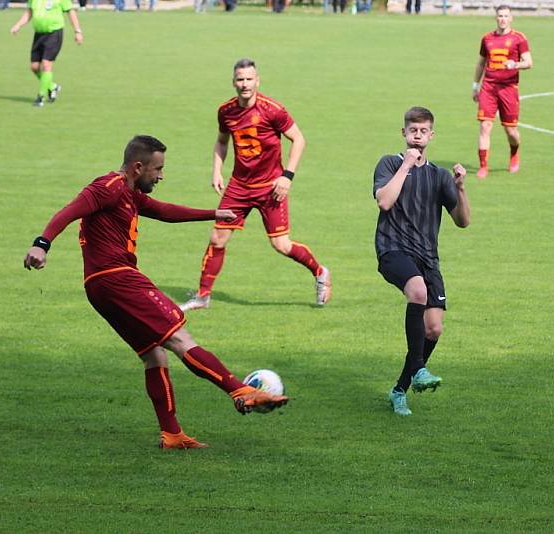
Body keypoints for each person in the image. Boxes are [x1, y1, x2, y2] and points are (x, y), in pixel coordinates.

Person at [23, 135, 289, 449]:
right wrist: (42, 244)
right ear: (138, 167)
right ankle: (240, 390)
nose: (161, 176)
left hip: (100, 286)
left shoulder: (130, 193)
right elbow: (69, 211)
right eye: (157, 169)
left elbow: (164, 211)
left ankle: (172, 434)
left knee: (154, 355)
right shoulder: (106, 187)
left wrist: (214, 214)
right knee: (179, 338)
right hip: (118, 279)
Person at [180, 59, 331, 312]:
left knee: (281, 245)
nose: (244, 84)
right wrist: (217, 170)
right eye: (240, 79)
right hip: (238, 187)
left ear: (257, 81)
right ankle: (203, 296)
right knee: (217, 238)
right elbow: (221, 141)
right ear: (233, 82)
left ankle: (320, 272)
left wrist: (287, 176)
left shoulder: (272, 110)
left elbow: (299, 139)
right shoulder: (226, 111)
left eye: (249, 79)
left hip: (271, 187)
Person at [373, 107, 471, 416]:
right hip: (393, 250)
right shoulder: (389, 163)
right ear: (404, 133)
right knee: (417, 292)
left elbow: (463, 221)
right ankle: (418, 368)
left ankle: (400, 389)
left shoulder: (439, 176)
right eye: (412, 130)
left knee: (434, 330)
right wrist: (406, 166)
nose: (417, 134)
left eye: (423, 130)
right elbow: (385, 201)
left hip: (427, 258)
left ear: (431, 135)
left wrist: (459, 187)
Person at [472, 4, 532, 178]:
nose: (503, 19)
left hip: (508, 88)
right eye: (500, 16)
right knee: (485, 126)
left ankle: (514, 154)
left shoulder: (519, 39)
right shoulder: (487, 39)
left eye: (506, 16)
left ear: (511, 18)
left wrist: (516, 64)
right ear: (496, 18)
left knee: (511, 130)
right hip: (488, 87)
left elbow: (529, 62)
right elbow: (481, 63)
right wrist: (475, 86)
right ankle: (483, 166)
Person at [10, 0, 83, 107]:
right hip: (39, 34)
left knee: (46, 64)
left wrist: (77, 31)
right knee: (34, 67)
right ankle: (52, 87)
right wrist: (18, 25)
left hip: (54, 33)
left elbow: (71, 12)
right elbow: (29, 12)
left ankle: (41, 97)